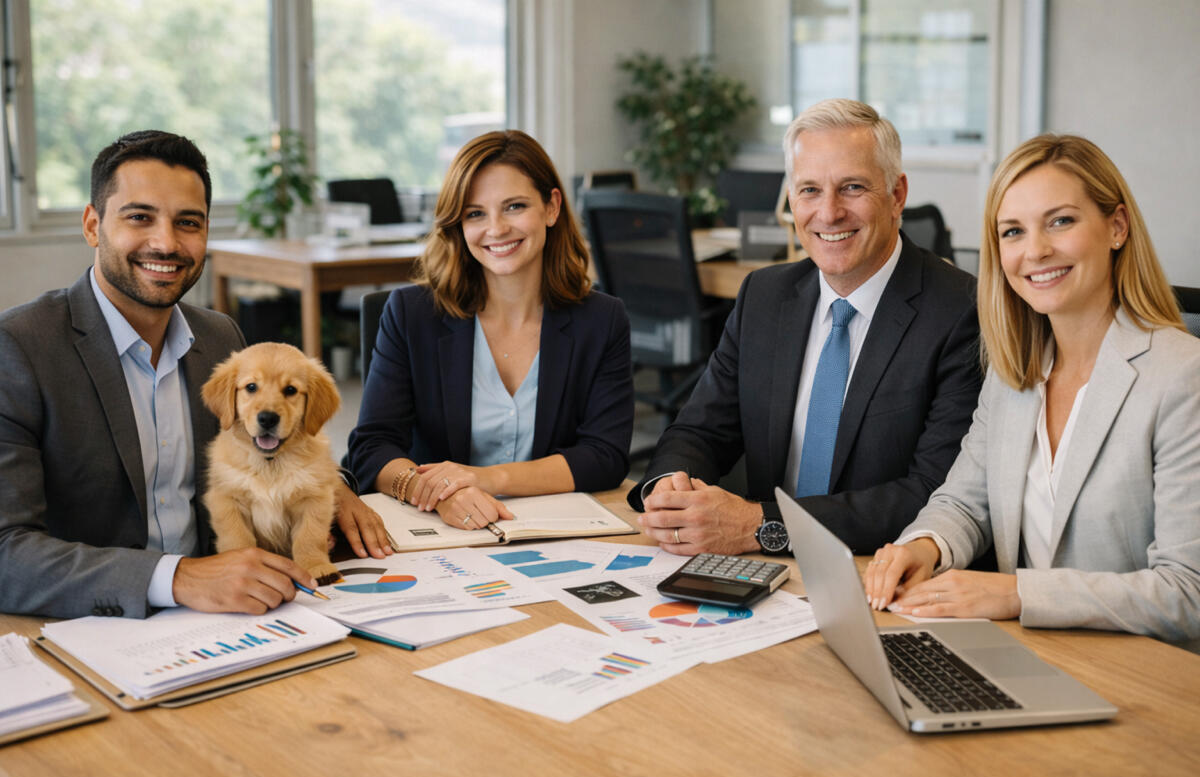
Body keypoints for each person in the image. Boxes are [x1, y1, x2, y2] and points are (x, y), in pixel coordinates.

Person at [0, 130, 387, 620]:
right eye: (139, 217)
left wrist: (338, 490)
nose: (166, 243)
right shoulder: (18, 346)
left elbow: (274, 446)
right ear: (93, 225)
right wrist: (176, 578)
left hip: (238, 613)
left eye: (188, 222)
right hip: (95, 623)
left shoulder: (221, 338)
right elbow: (5, 552)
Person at [863, 134, 1200, 652]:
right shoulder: (1014, 371)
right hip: (1029, 656)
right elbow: (964, 502)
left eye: (1060, 221)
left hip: (1141, 679)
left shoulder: (1182, 376)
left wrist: (1018, 593)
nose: (1035, 250)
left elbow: (1187, 593)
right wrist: (924, 547)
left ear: (1117, 226)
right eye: (1013, 231)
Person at [631, 99, 981, 557]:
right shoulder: (765, 295)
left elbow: (933, 494)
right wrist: (670, 490)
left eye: (852, 188)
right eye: (809, 190)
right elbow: (700, 429)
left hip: (878, 572)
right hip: (761, 575)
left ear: (897, 195)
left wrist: (760, 526)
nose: (829, 213)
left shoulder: (961, 311)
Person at [346, 130, 633, 529]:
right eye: (475, 213)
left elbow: (605, 455)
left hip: (551, 529)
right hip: (438, 528)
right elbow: (371, 448)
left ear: (551, 208)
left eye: (514, 206)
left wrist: (486, 478)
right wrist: (437, 492)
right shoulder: (411, 315)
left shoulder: (601, 320)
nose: (496, 229)